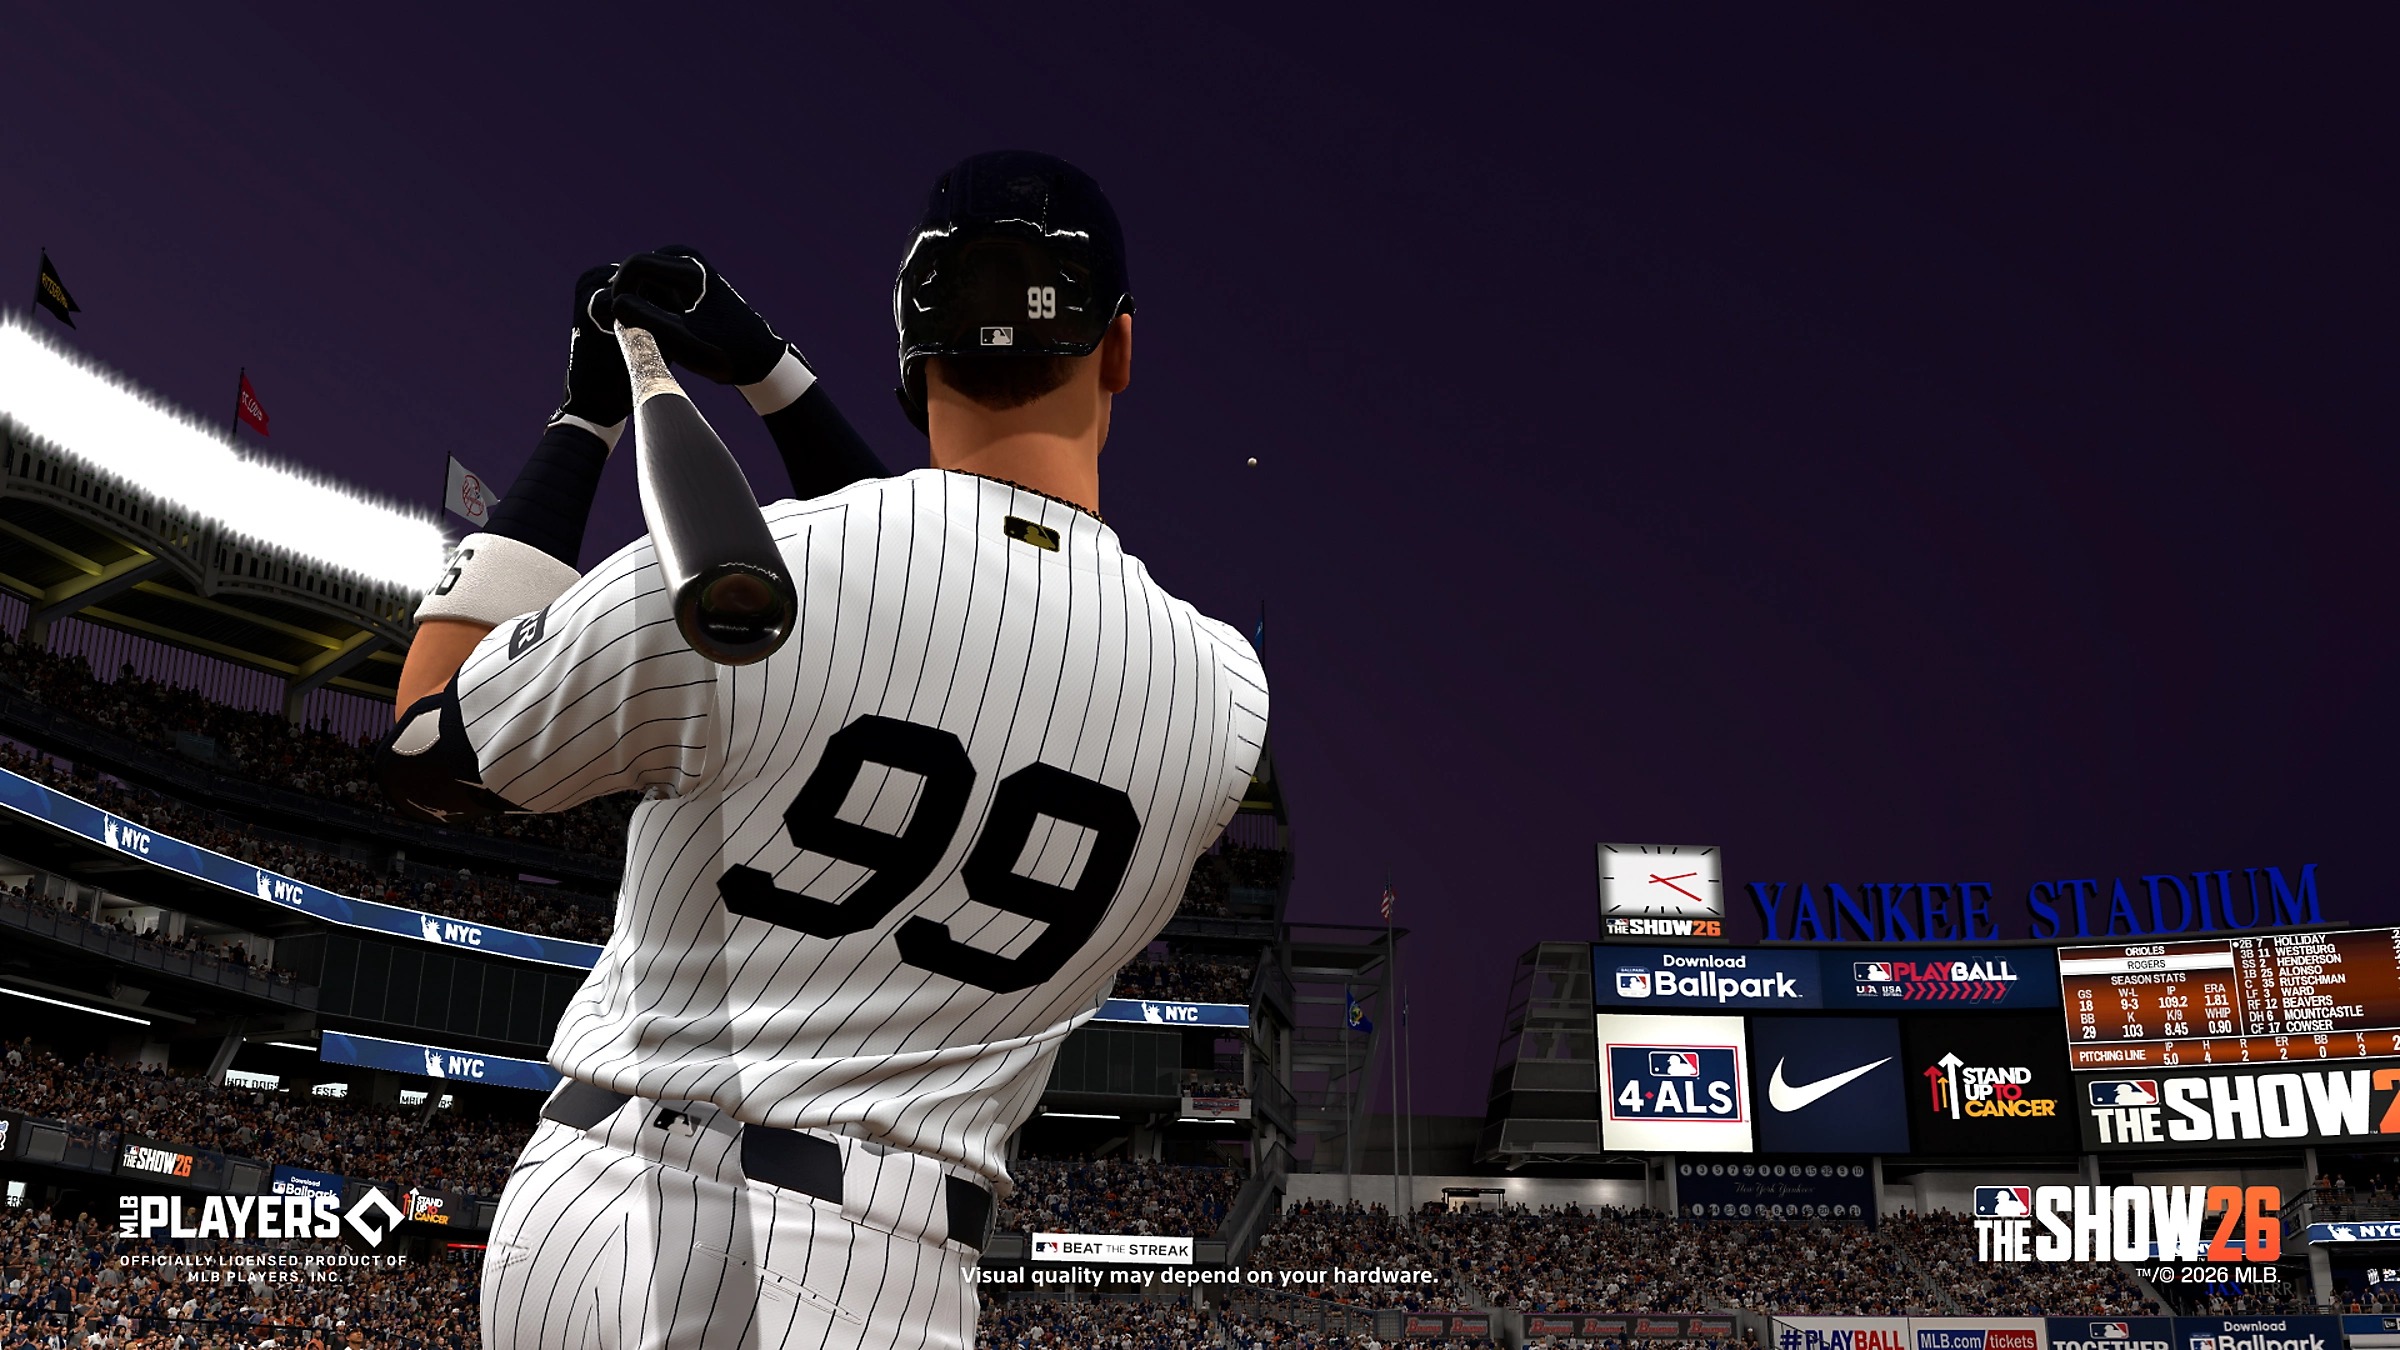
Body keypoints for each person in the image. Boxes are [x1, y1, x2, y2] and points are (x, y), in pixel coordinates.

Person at [375, 150, 1268, 1350]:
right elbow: (962, 604)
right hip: (865, 1271)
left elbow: (431, 742)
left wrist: (582, 421)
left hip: (574, 1219)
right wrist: (777, 380)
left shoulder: (746, 570)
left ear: (911, 357)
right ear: (1117, 349)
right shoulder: (1223, 700)